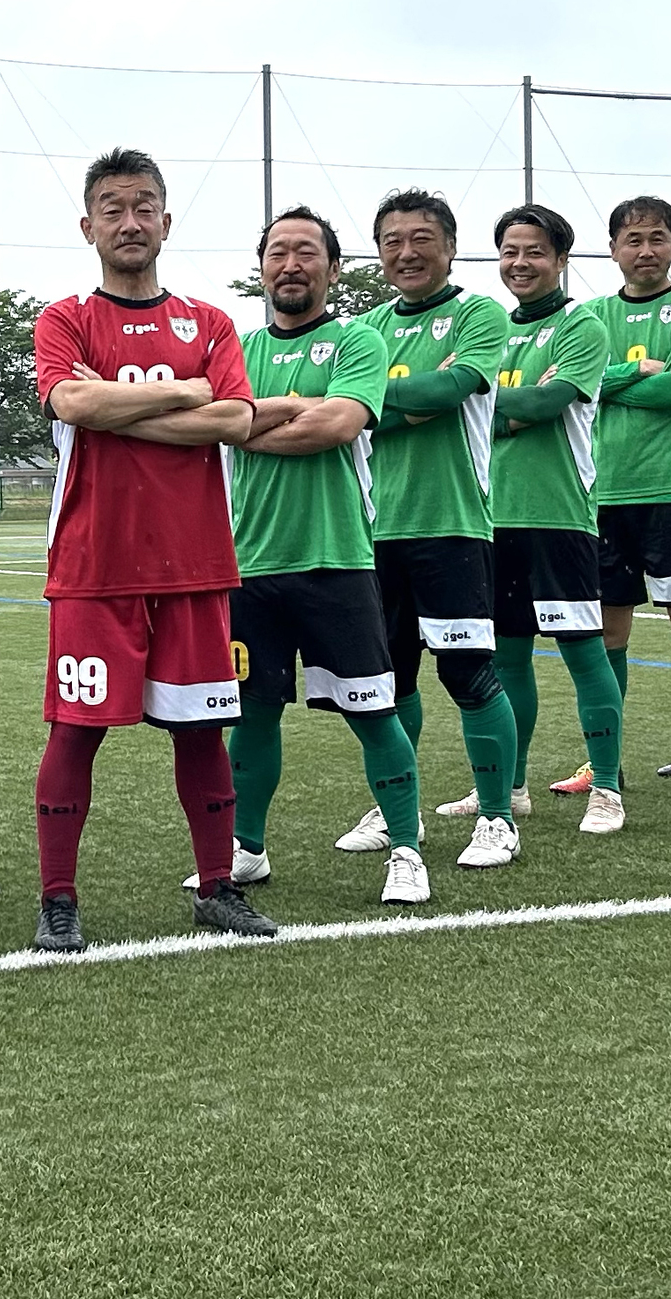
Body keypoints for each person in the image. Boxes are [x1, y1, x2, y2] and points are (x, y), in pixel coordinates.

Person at [29, 148, 269, 954]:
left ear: (166, 221)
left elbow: (236, 419)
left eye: (143, 208)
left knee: (202, 732)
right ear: (88, 226)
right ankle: (58, 899)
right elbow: (71, 400)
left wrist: (120, 405)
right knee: (75, 731)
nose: (129, 222)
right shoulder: (65, 318)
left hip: (196, 565)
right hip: (95, 567)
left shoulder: (210, 321)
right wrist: (184, 391)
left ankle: (218, 887)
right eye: (113, 208)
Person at [226, 206, 429, 907]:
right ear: (262, 268)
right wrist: (287, 408)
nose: (291, 265)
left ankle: (406, 848)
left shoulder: (358, 341)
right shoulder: (237, 347)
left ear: (333, 268)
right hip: (249, 566)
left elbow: (337, 423)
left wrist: (250, 421)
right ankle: (246, 850)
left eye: (306, 252)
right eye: (277, 252)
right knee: (252, 714)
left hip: (337, 561)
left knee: (373, 711)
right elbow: (207, 422)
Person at [350, 188, 524, 868]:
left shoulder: (479, 313)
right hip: (371, 530)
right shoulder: (366, 329)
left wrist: (370, 398)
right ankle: (401, 813)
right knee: (388, 681)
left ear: (450, 247)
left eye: (422, 238)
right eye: (392, 241)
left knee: (470, 673)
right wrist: (404, 398)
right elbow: (386, 405)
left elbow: (448, 391)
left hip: (452, 525)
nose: (407, 252)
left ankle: (498, 816)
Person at [575, 197, 671, 805]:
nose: (646, 250)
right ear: (613, 249)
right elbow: (574, 385)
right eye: (633, 239)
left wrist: (612, 381)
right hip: (600, 494)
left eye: (657, 238)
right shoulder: (591, 315)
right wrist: (640, 369)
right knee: (606, 632)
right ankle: (604, 761)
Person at [486, 204, 628, 834]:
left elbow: (545, 405)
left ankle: (608, 790)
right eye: (510, 251)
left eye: (535, 251)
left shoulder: (581, 325)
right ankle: (511, 789)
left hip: (559, 517)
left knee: (584, 655)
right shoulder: (491, 328)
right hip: (491, 517)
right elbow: (482, 412)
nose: (521, 263)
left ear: (562, 259)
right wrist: (504, 407)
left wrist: (485, 401)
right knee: (507, 659)